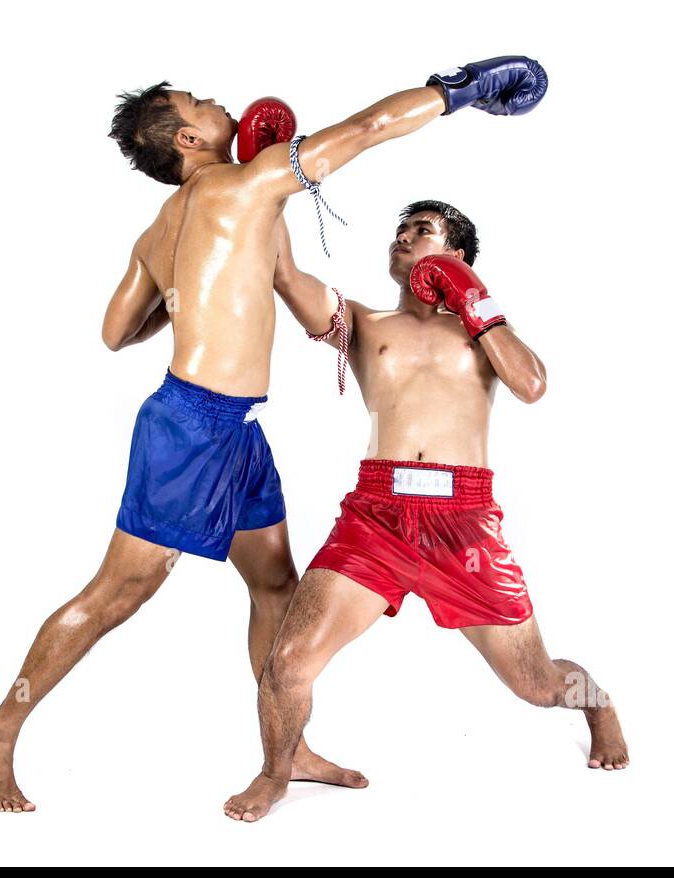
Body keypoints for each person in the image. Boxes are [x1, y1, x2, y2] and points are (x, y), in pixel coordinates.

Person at [0, 58, 548, 812]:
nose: (219, 102)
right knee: (119, 593)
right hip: (189, 430)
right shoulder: (246, 182)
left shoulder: (168, 226)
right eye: (202, 102)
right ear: (187, 136)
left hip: (236, 430)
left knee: (275, 582)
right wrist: (457, 91)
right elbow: (369, 129)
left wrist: (194, 292)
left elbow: (117, 331)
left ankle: (289, 749)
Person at [224, 199, 628, 823]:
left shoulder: (484, 330)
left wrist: (476, 300)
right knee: (288, 661)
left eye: (423, 230)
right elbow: (285, 275)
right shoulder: (363, 320)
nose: (404, 238)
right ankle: (278, 769)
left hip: (463, 520)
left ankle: (598, 704)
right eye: (399, 230)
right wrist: (273, 181)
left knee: (537, 683)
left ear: (458, 256)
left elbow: (532, 385)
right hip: (376, 515)